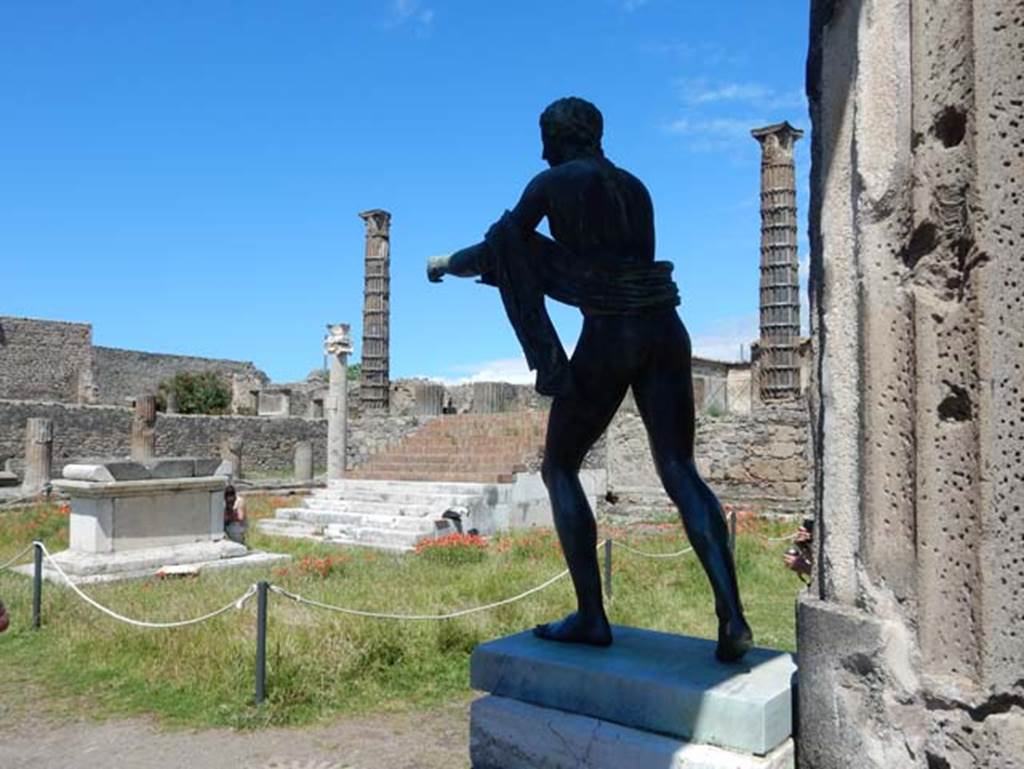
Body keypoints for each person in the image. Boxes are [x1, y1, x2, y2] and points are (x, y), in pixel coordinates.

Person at [427, 97, 752, 662]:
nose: (541, 149)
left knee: (559, 467)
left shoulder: (553, 183)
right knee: (679, 467)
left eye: (544, 136)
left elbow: (498, 250)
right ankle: (733, 615)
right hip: (668, 330)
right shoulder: (635, 186)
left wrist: (443, 263)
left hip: (613, 332)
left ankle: (591, 616)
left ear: (561, 136)